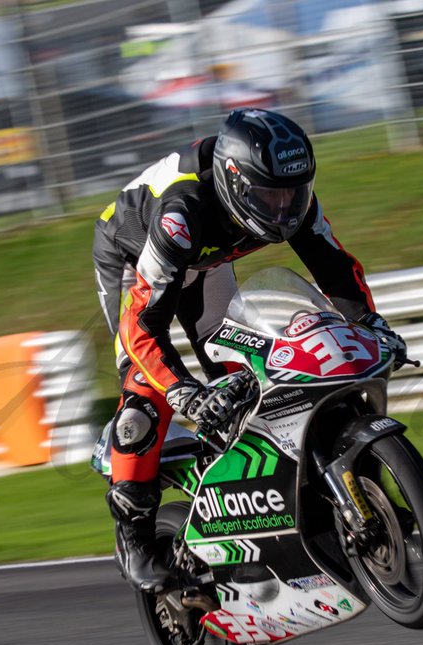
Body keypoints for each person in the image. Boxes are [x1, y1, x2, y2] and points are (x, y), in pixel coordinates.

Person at [92, 108, 404, 591]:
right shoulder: (184, 212)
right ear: (235, 183)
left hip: (205, 259)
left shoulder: (291, 197)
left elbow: (336, 268)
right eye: (269, 196)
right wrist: (183, 394)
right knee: (143, 397)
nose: (283, 208)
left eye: (293, 193)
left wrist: (371, 324)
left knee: (239, 368)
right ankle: (133, 535)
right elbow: (144, 328)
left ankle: (260, 497)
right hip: (135, 256)